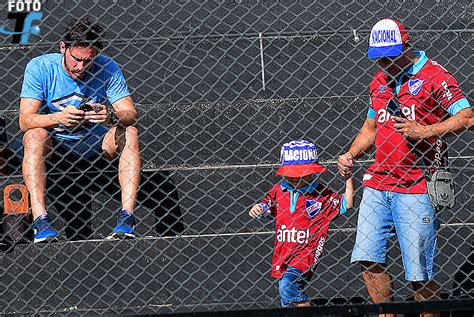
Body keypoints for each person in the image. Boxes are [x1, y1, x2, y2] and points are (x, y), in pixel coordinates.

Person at [337, 18, 472, 317]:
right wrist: (351, 153)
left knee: (419, 273)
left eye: (390, 56)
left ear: (406, 47)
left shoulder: (435, 76)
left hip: (418, 186)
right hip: (377, 184)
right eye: (379, 58)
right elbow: (371, 128)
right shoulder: (379, 81)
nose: (384, 63)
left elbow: (466, 117)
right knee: (367, 258)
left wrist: (425, 131)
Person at [17, 17, 141, 242]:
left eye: (88, 61)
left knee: (129, 131)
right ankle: (41, 221)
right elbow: (24, 120)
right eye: (76, 59)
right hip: (55, 144)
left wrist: (111, 115)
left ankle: (127, 219)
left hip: (95, 144)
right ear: (63, 47)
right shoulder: (40, 67)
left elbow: (130, 113)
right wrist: (58, 117)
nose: (80, 67)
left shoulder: (107, 67)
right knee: (33, 135)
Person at [249, 140, 354, 307]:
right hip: (283, 253)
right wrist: (258, 208)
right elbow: (265, 205)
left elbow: (347, 203)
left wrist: (348, 178)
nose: (296, 178)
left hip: (306, 254)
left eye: (302, 173)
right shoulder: (278, 190)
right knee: (287, 298)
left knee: (288, 285)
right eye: (291, 173)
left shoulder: (320, 194)